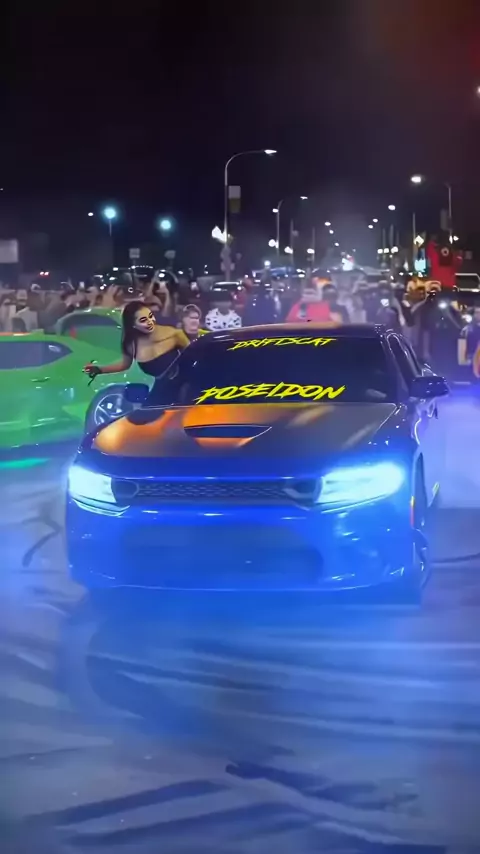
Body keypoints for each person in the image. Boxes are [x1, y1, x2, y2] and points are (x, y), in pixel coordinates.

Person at [83, 300, 189, 381]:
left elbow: (193, 356)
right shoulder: (131, 344)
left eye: (151, 316)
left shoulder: (174, 334)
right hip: (156, 388)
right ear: (133, 324)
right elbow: (124, 365)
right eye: (143, 320)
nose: (150, 322)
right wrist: (99, 369)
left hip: (182, 383)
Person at [458, 306, 480, 379]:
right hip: (471, 356)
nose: (478, 315)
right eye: (477, 313)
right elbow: (464, 342)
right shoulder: (468, 328)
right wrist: (464, 357)